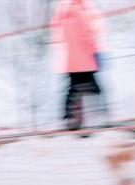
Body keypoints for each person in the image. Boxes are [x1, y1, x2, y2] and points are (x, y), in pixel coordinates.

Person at [49, 0, 107, 130]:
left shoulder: (65, 9)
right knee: (92, 88)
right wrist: (96, 52)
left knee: (74, 89)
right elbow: (89, 33)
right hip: (83, 57)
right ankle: (99, 116)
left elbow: (58, 34)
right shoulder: (79, 9)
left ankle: (71, 120)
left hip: (72, 59)